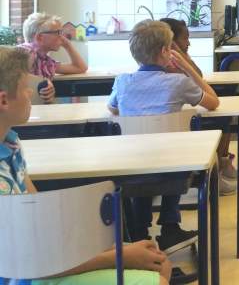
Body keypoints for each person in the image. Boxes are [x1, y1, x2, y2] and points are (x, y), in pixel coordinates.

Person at [0, 46, 171, 285]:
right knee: (157, 278)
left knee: (160, 263)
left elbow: (41, 221)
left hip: (41, 259)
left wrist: (110, 250)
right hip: (24, 275)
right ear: (4, 100)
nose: (31, 92)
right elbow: (27, 261)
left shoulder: (12, 141)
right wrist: (117, 257)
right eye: (24, 87)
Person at [108, 20, 219, 254]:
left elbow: (113, 109)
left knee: (142, 158)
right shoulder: (178, 83)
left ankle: (139, 232)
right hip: (174, 173)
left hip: (131, 172)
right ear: (165, 52)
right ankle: (169, 226)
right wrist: (188, 68)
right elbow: (213, 102)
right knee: (171, 154)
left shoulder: (123, 82)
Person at [161, 17, 237, 196]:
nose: (189, 43)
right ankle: (216, 174)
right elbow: (199, 79)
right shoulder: (173, 71)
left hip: (162, 136)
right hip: (177, 132)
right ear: (170, 42)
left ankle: (222, 165)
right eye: (185, 38)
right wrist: (181, 56)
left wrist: (181, 54)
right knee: (222, 119)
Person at [19, 12, 89, 104]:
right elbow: (13, 79)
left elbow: (80, 68)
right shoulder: (26, 52)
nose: (62, 37)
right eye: (57, 33)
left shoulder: (47, 62)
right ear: (40, 37)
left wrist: (68, 45)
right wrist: (44, 81)